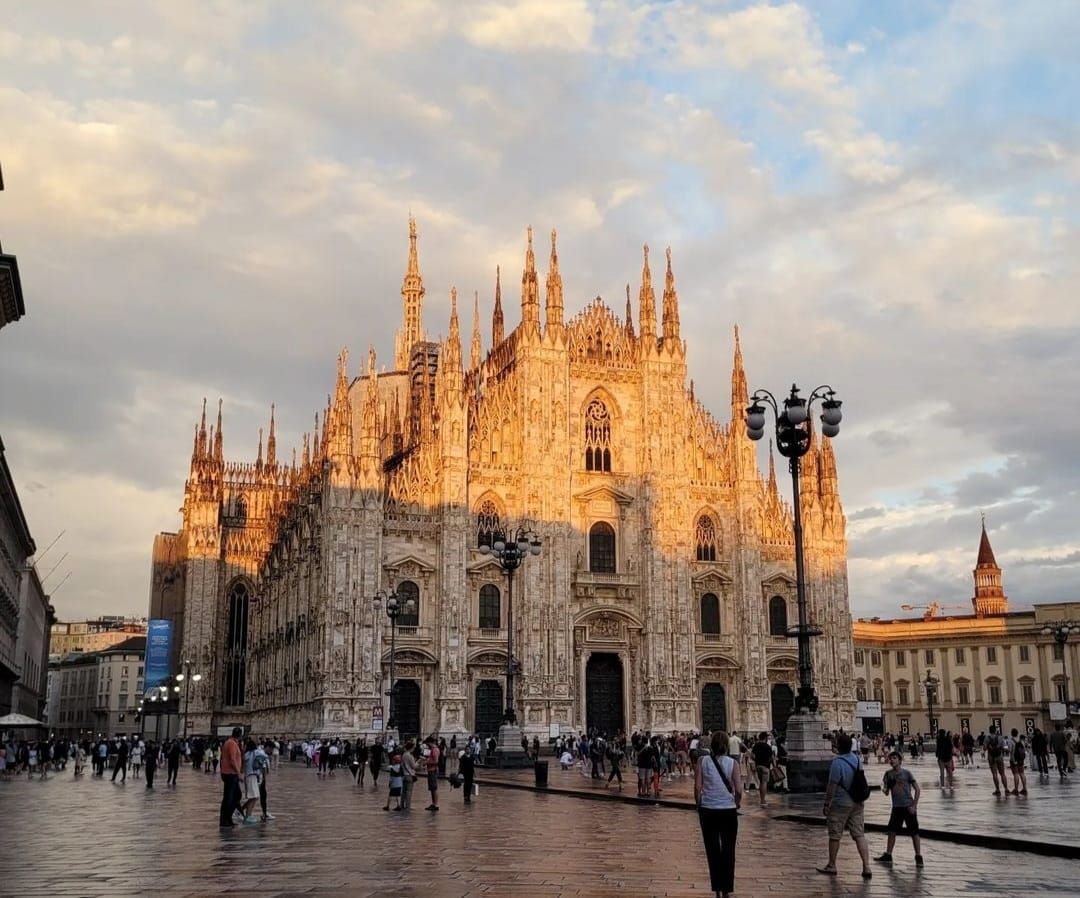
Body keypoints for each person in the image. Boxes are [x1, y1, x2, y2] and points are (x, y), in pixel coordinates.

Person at [817, 733, 872, 880]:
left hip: (841, 803)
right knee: (859, 834)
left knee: (835, 835)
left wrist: (827, 803)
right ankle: (866, 866)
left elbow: (832, 786)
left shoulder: (837, 763)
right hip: (858, 802)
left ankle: (832, 865)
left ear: (838, 746)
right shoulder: (857, 759)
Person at [694, 730, 742, 898]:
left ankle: (717, 889)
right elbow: (739, 789)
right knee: (728, 850)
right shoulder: (733, 763)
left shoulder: (702, 760)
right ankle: (727, 888)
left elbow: (698, 787)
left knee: (712, 850)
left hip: (707, 810)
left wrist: (699, 803)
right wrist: (735, 803)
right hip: (728, 810)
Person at [875, 751, 923, 868]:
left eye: (895, 758)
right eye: (890, 758)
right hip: (896, 807)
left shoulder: (907, 773)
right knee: (892, 831)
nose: (892, 760)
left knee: (914, 832)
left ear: (900, 760)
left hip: (908, 806)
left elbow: (917, 789)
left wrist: (914, 805)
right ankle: (888, 854)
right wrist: (885, 788)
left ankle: (918, 856)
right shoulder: (888, 774)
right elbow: (886, 792)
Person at [219, 727, 244, 828]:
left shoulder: (229, 742)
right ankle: (225, 820)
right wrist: (239, 773)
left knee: (234, 796)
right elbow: (233, 760)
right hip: (231, 774)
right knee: (230, 797)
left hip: (228, 773)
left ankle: (227, 818)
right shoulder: (232, 743)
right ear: (240, 735)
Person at [750, 733, 773, 807]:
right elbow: (771, 758)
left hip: (758, 766)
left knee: (761, 782)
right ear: (765, 738)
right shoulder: (768, 746)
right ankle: (763, 801)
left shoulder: (755, 745)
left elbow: (752, 756)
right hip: (765, 766)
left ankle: (762, 799)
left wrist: (757, 759)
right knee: (764, 783)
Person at [254, 741, 274, 821]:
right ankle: (240, 810)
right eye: (271, 749)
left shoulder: (261, 753)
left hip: (260, 778)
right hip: (260, 778)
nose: (272, 752)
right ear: (268, 747)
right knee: (255, 797)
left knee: (261, 796)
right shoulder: (262, 754)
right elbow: (263, 767)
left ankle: (264, 813)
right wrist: (264, 779)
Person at [986, 727, 1008, 796]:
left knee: (994, 774)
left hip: (991, 757)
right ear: (995, 731)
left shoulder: (987, 738)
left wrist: (989, 747)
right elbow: (1005, 747)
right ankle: (1006, 789)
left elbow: (984, 747)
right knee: (1002, 773)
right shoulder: (1000, 737)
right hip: (999, 756)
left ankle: (997, 790)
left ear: (989, 731)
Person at [1008, 729, 1028, 795]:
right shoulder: (1021, 741)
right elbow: (1024, 750)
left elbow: (1010, 750)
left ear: (1011, 733)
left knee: (1016, 774)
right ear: (1017, 733)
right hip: (1021, 759)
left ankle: (1016, 789)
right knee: (1022, 773)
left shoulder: (1011, 741)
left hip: (1014, 759)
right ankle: (1024, 788)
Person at [423, 736, 440, 811]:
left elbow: (436, 761)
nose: (427, 745)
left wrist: (427, 762)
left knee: (434, 788)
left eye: (427, 744)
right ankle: (433, 803)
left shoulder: (435, 750)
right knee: (432, 788)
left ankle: (435, 804)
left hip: (433, 770)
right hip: (431, 770)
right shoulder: (433, 749)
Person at [400, 740, 417, 810]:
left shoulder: (404, 755)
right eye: (413, 748)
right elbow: (414, 766)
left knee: (403, 791)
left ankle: (402, 805)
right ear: (411, 748)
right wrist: (419, 762)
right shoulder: (410, 756)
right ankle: (408, 806)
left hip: (404, 775)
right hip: (410, 775)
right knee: (409, 792)